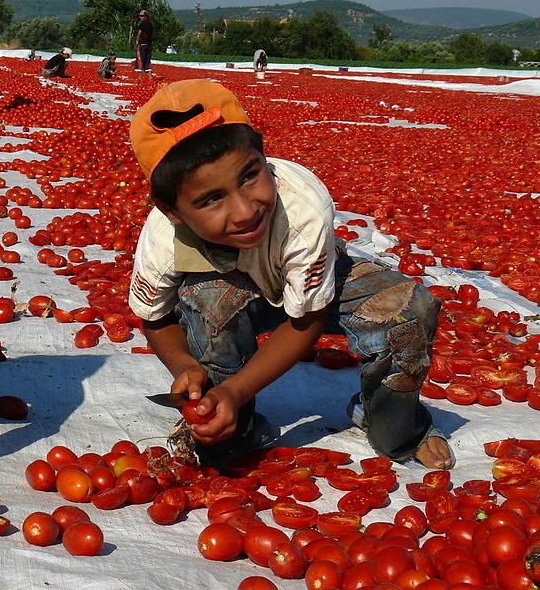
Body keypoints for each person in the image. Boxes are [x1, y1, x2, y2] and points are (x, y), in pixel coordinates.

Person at [127, 79, 452, 471]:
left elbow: (308, 319)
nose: (246, 210)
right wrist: (183, 366)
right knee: (208, 302)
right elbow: (155, 318)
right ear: (172, 211)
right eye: (212, 199)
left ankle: (392, 423)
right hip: (230, 294)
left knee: (408, 311)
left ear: (264, 157)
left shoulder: (302, 207)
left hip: (316, 288)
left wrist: (236, 386)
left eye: (250, 175)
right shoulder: (163, 239)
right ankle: (235, 423)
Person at [132, 10, 154, 74]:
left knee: (140, 59)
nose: (140, 17)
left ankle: (140, 77)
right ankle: (149, 75)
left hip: (143, 44)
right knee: (147, 60)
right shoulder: (151, 24)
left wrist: (137, 41)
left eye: (142, 16)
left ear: (146, 16)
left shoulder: (142, 23)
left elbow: (139, 33)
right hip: (149, 44)